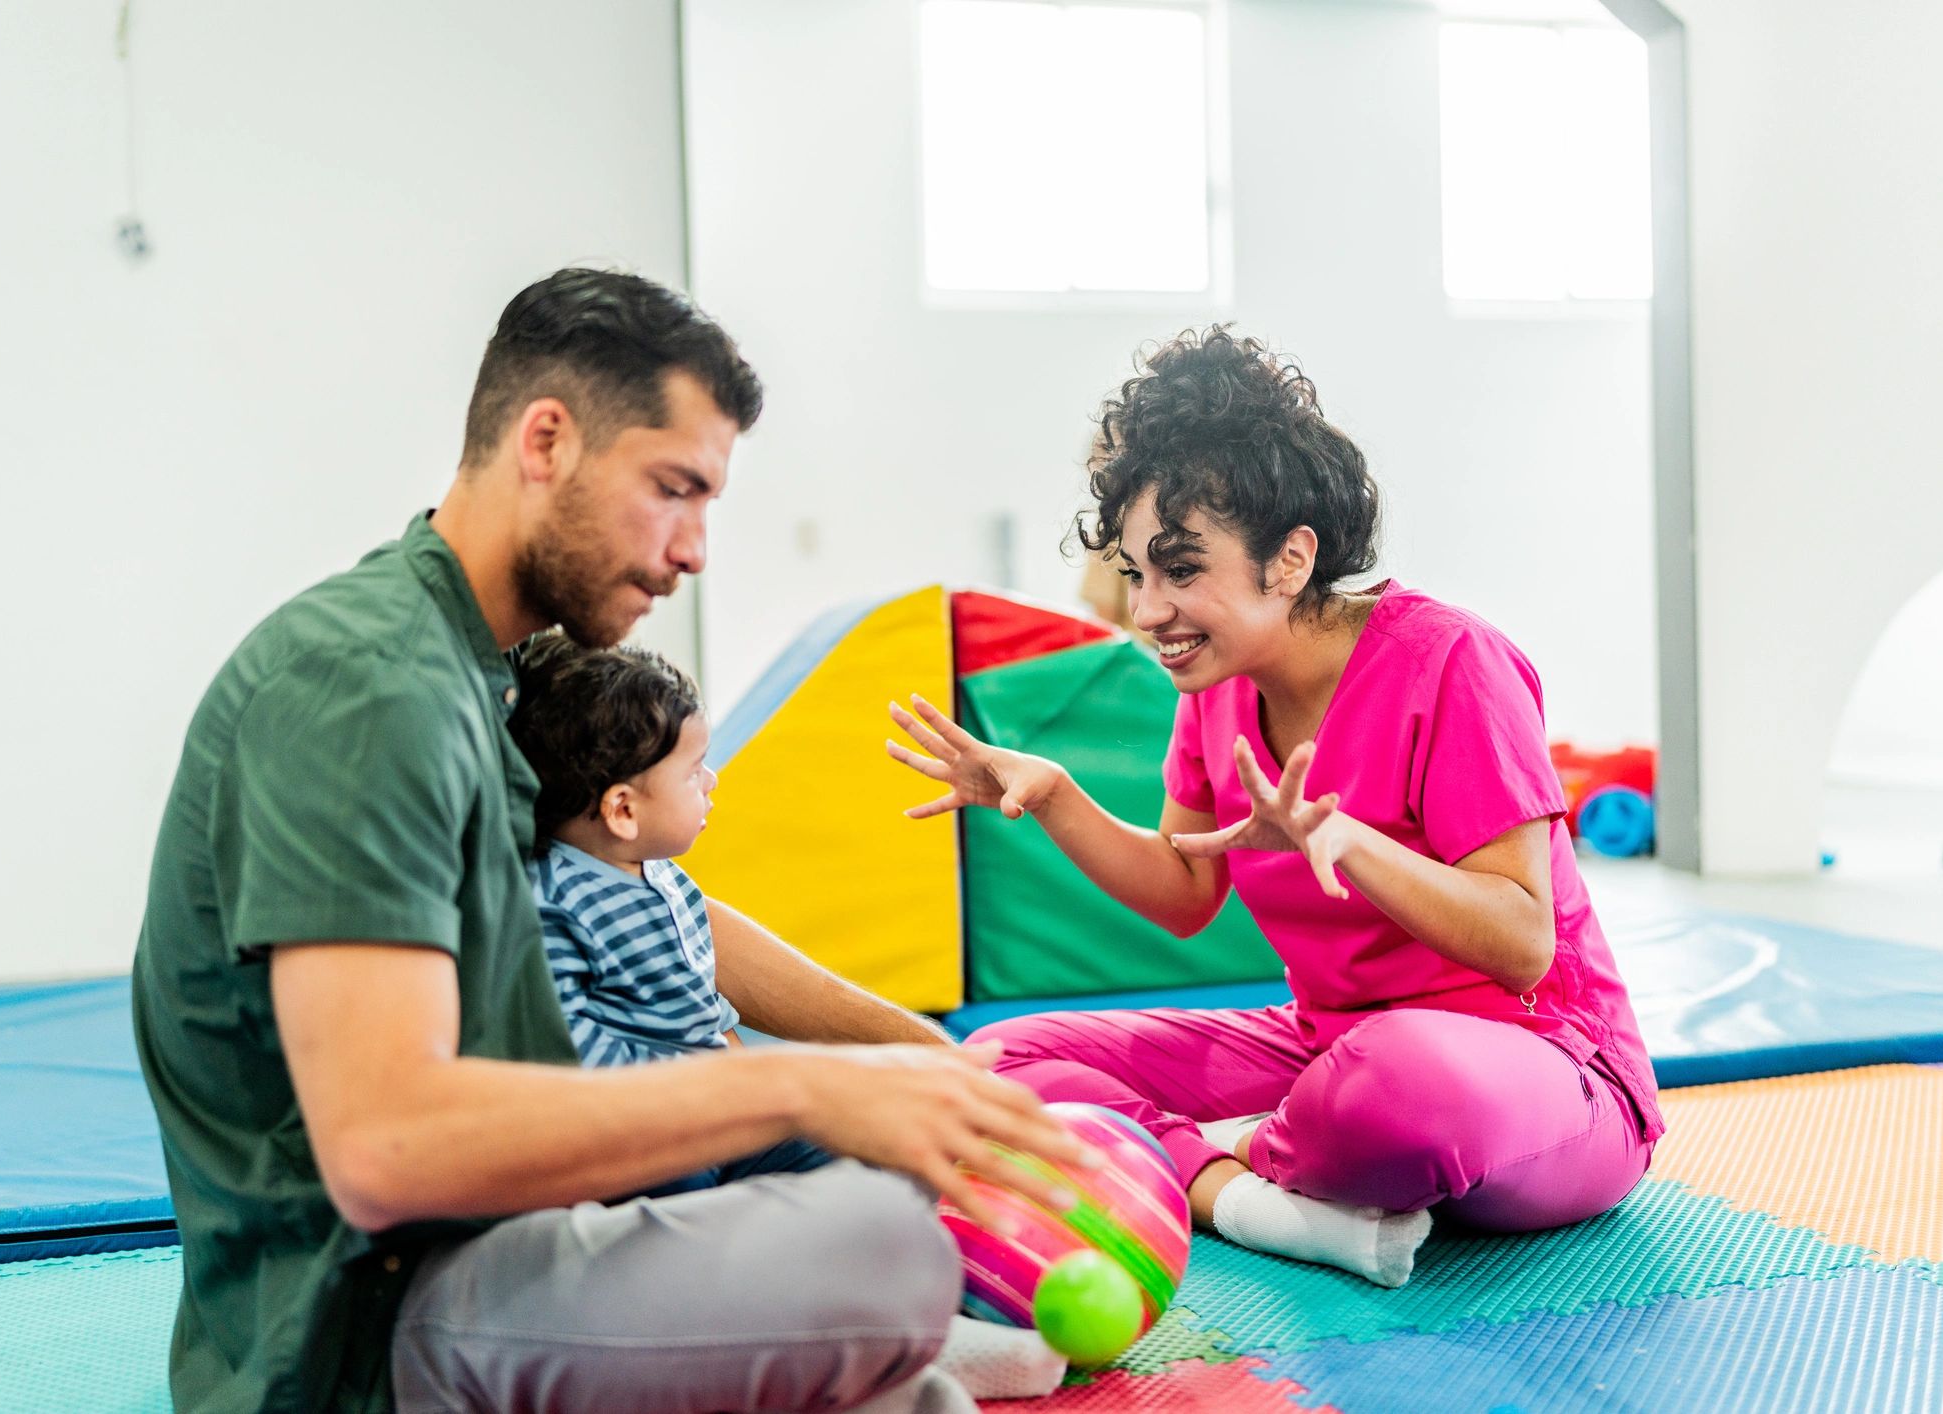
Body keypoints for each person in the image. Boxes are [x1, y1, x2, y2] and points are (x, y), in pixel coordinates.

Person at [133, 268, 1092, 1414]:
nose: (694, 550)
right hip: (370, 1328)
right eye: (673, 488)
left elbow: (674, 906)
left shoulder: (487, 667)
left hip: (519, 1228)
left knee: (905, 1179)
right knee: (882, 1247)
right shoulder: (369, 688)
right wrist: (801, 1086)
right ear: (546, 440)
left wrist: (925, 1060)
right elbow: (384, 1147)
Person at [886, 327, 1664, 1290]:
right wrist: (1056, 799)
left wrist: (1351, 841)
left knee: (1403, 1085)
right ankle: (1242, 1197)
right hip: (1327, 1049)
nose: (1147, 611)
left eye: (1180, 570)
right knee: (998, 1059)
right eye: (1136, 574)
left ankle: (1219, 1158)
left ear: (1290, 559)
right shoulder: (1214, 686)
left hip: (1543, 1068)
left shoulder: (1452, 661)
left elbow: (1522, 942)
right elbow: (1184, 892)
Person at [505, 634, 831, 1195]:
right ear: (623, 809)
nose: (712, 781)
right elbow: (571, 1049)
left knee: (843, 1140)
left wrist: (739, 1081)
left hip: (721, 1117)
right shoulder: (554, 900)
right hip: (650, 1141)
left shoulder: (664, 875)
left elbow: (704, 1007)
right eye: (693, 771)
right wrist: (696, 1098)